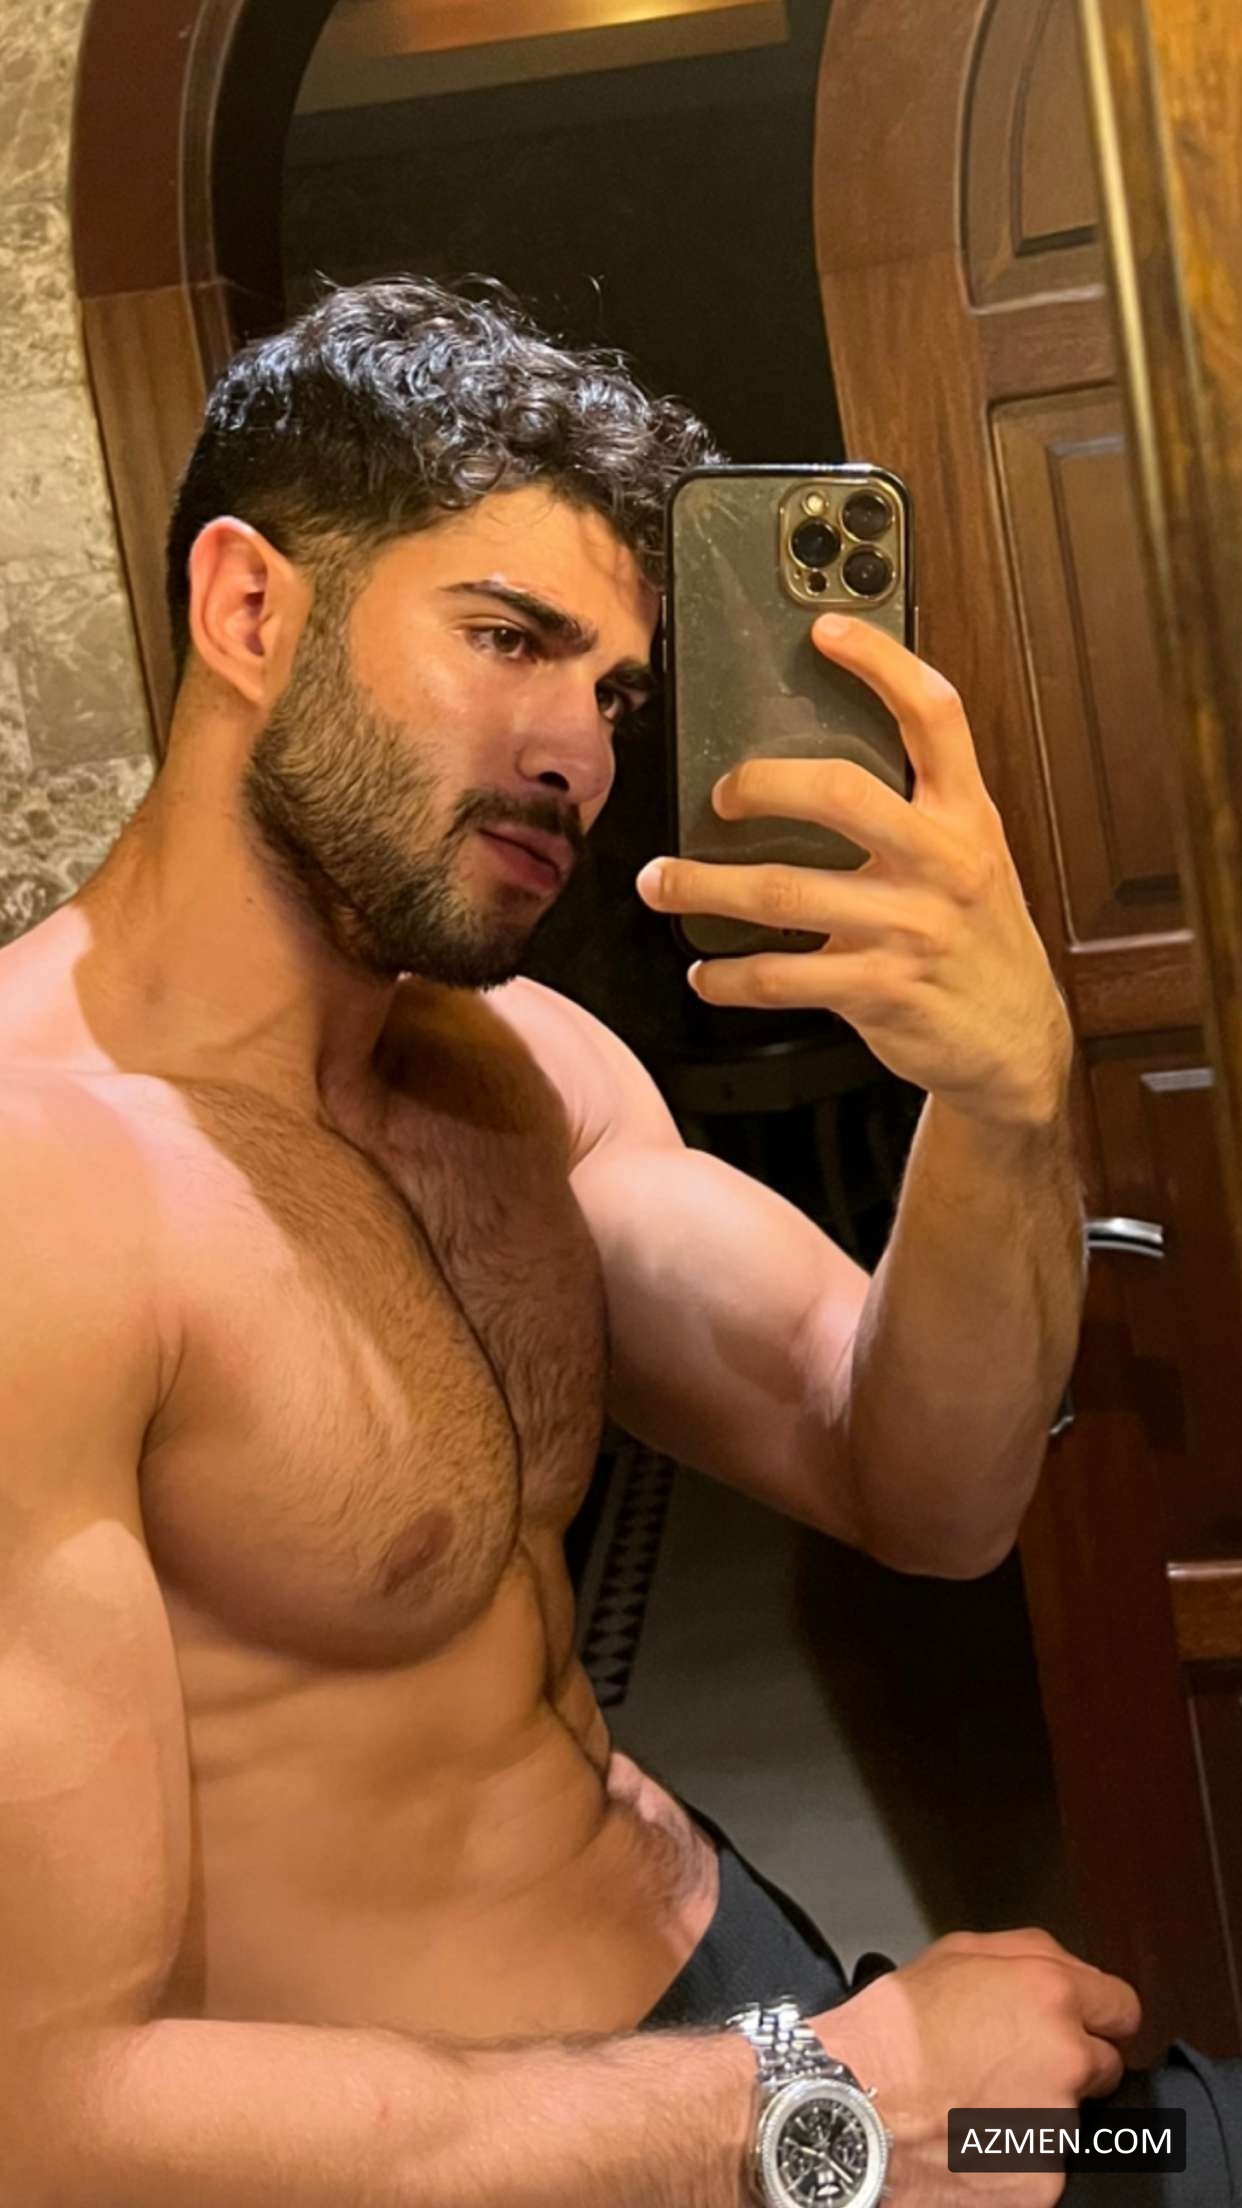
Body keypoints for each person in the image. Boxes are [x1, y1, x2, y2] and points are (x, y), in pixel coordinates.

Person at [0, 276, 1234, 2208]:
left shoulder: (525, 1074)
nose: (579, 750)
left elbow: (923, 1486)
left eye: (615, 692)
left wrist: (1001, 1103)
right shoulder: (41, 1192)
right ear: (248, 611)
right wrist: (826, 2114)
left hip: (753, 2025)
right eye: (508, 638)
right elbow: (46, 2118)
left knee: (1195, 2147)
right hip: (573, 2158)